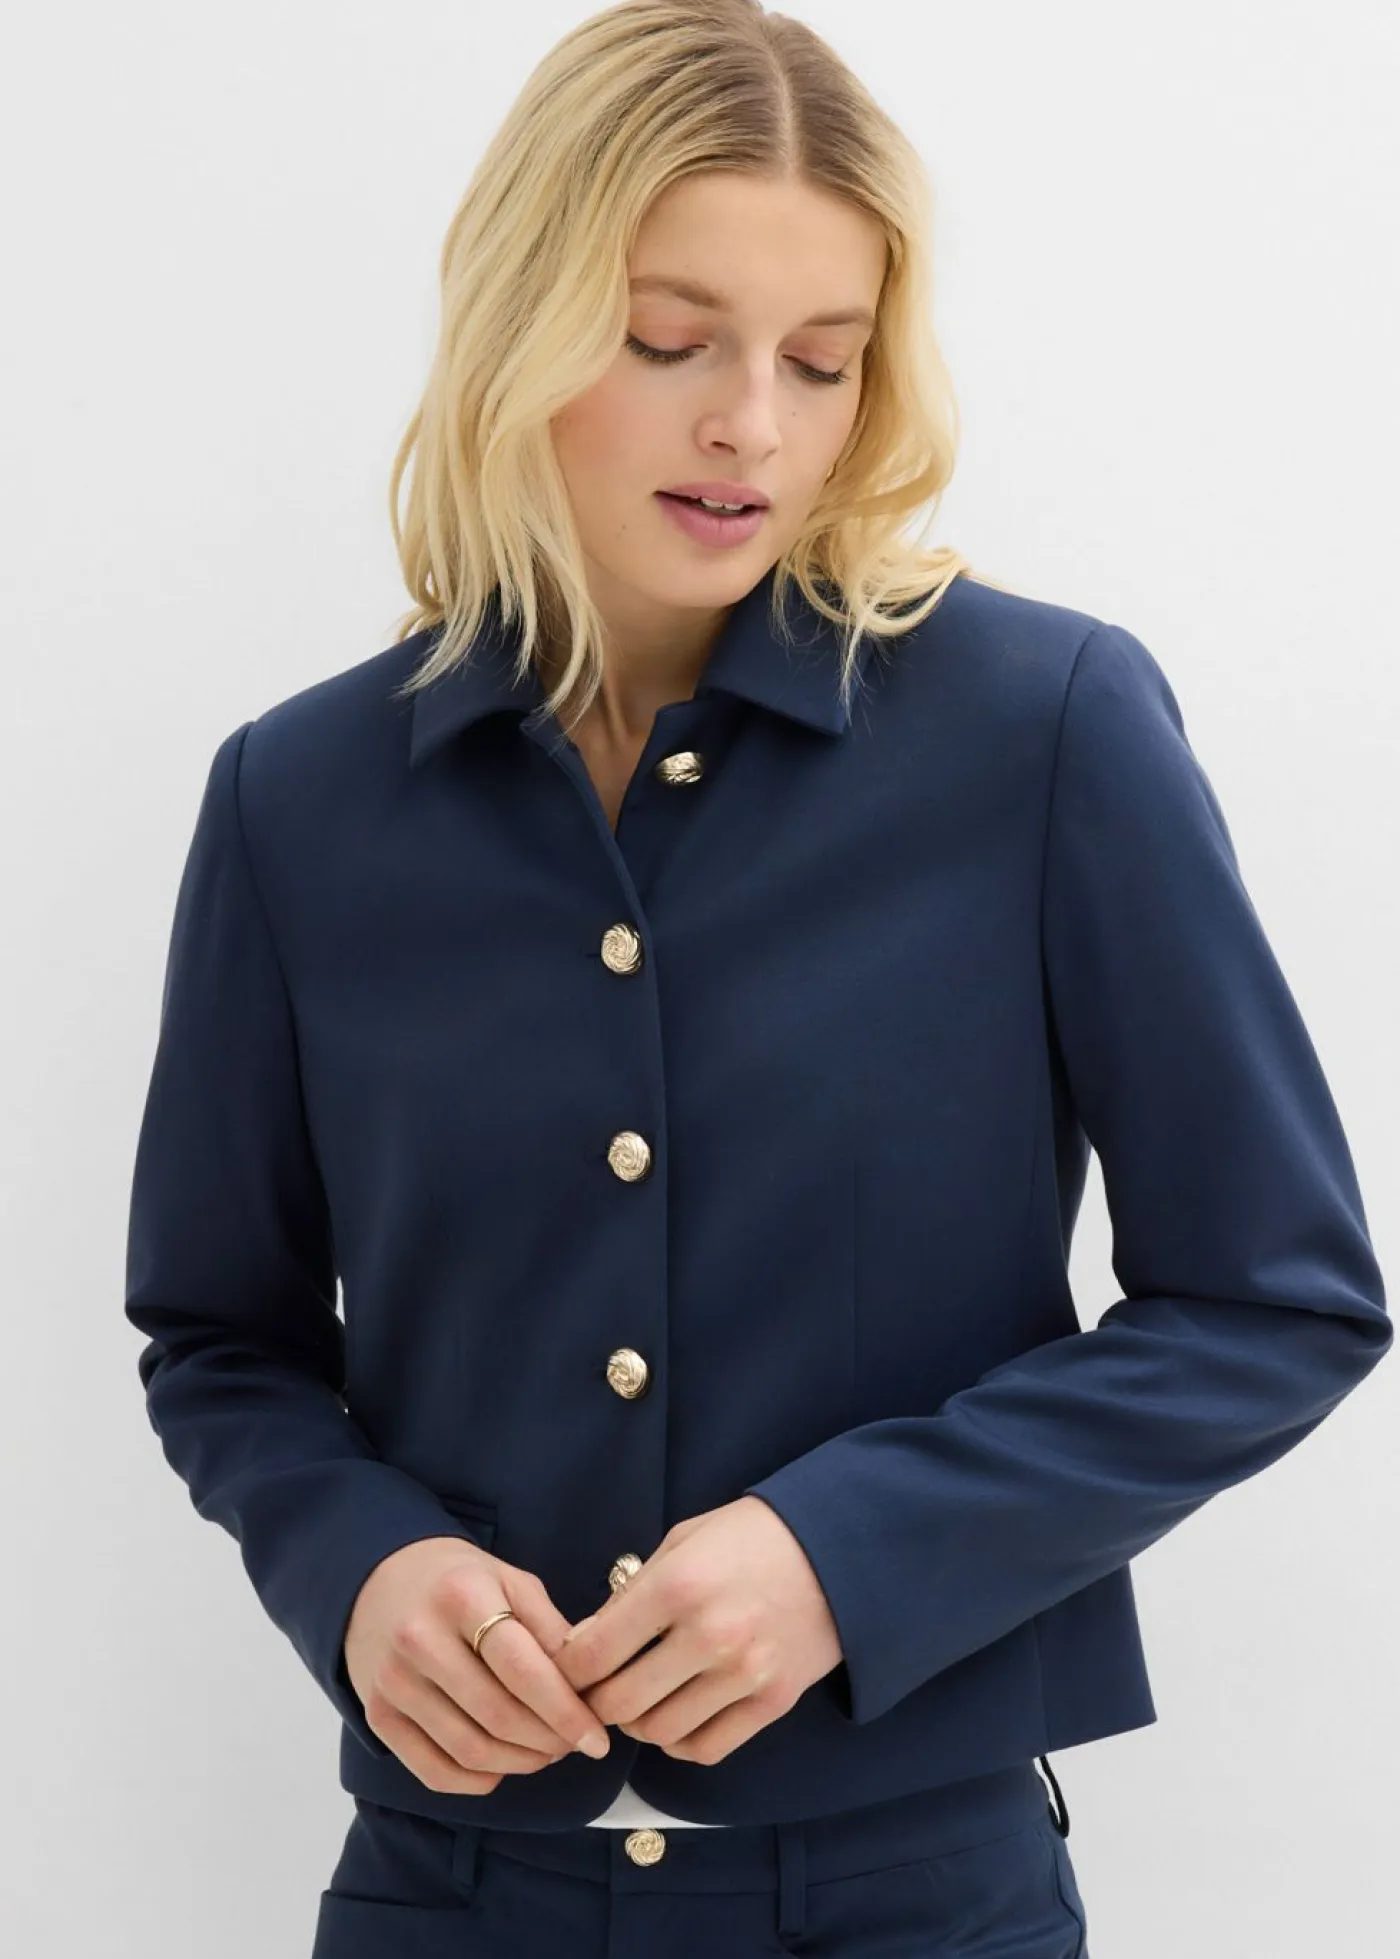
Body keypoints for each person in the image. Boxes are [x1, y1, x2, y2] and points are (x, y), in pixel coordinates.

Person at [123, 2, 1391, 1954]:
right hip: (448, 1896)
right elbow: (221, 1333)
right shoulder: (297, 797)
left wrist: (846, 1553)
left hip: (917, 1898)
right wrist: (357, 1565)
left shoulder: (1045, 726)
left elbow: (1277, 1294)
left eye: (821, 358)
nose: (754, 427)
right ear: (522, 323)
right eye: (670, 339)